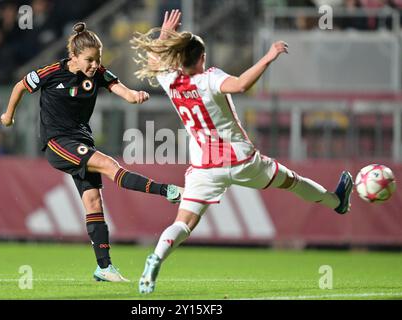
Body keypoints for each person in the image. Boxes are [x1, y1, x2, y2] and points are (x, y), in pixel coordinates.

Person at [130, 9, 353, 294]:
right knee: (292, 181)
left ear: (176, 58)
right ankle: (336, 202)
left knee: (183, 223)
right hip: (240, 160)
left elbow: (153, 61)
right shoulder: (209, 78)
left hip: (204, 168)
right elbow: (241, 84)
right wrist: (268, 56)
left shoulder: (170, 80)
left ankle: (156, 259)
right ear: (202, 58)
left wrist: (164, 34)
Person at [1, 22, 183, 283]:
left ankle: (104, 268)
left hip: (82, 140)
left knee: (93, 201)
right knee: (109, 165)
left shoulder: (98, 73)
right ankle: (168, 191)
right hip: (57, 142)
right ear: (73, 57)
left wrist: (135, 95)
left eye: (97, 59)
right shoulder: (52, 72)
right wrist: (9, 115)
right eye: (89, 60)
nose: (94, 65)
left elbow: (125, 92)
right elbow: (20, 86)